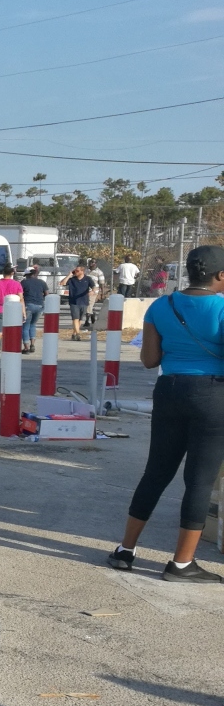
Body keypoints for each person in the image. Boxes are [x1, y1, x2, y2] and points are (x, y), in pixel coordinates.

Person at [106, 245, 224, 583]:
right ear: (220, 275)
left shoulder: (161, 305)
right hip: (213, 395)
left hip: (169, 390)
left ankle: (125, 550)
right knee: (199, 480)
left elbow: (149, 360)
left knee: (156, 473)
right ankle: (182, 564)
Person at [0, 264, 23, 362]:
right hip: (12, 311)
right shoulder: (17, 284)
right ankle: (9, 351)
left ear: (3, 273)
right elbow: (21, 299)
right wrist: (23, 312)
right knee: (10, 331)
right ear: (12, 273)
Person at [60, 265, 94, 341]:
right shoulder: (72, 279)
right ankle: (78, 334)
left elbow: (94, 286)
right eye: (75, 270)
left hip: (84, 301)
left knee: (80, 320)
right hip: (74, 301)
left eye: (77, 271)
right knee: (75, 318)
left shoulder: (88, 279)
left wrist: (93, 291)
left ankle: (74, 333)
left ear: (82, 271)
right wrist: (69, 275)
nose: (75, 272)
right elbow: (62, 283)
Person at [21, 266, 48, 354]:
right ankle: (32, 344)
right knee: (33, 325)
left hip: (28, 305)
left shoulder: (24, 282)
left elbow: (20, 294)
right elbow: (47, 294)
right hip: (40, 305)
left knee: (25, 326)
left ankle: (26, 348)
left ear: (27, 275)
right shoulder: (42, 282)